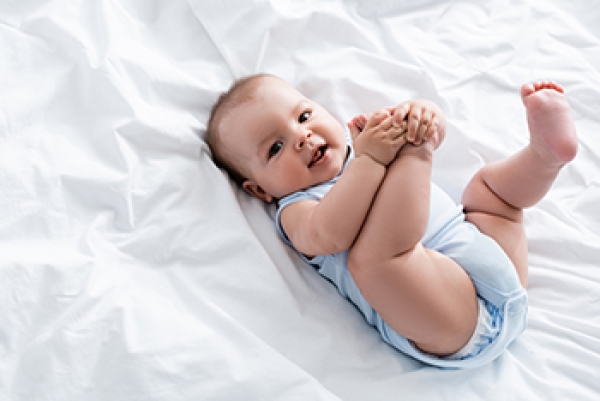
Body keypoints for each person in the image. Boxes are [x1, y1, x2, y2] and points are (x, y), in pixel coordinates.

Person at [205, 73, 578, 368]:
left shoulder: (367, 139)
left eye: (304, 116)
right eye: (275, 148)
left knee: (492, 197)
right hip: (451, 319)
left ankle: (544, 157)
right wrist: (378, 160)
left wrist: (422, 118)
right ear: (259, 190)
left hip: (485, 255)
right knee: (374, 261)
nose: (302, 136)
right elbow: (328, 234)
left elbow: (430, 131)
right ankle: (422, 156)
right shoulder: (296, 209)